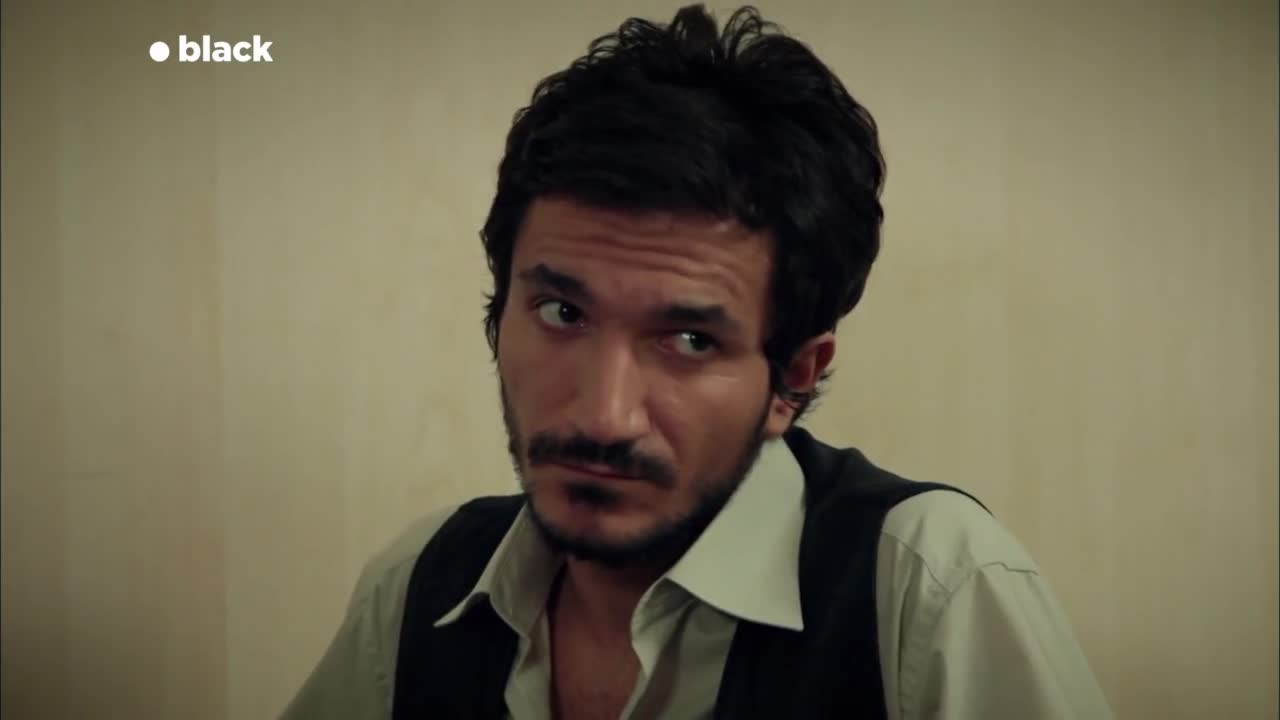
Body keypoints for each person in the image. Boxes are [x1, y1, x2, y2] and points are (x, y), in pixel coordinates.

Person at [281, 5, 1113, 719]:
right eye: (562, 313)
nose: (602, 415)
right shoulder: (420, 585)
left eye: (689, 341)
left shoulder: (930, 589)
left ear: (793, 378)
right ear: (501, 316)